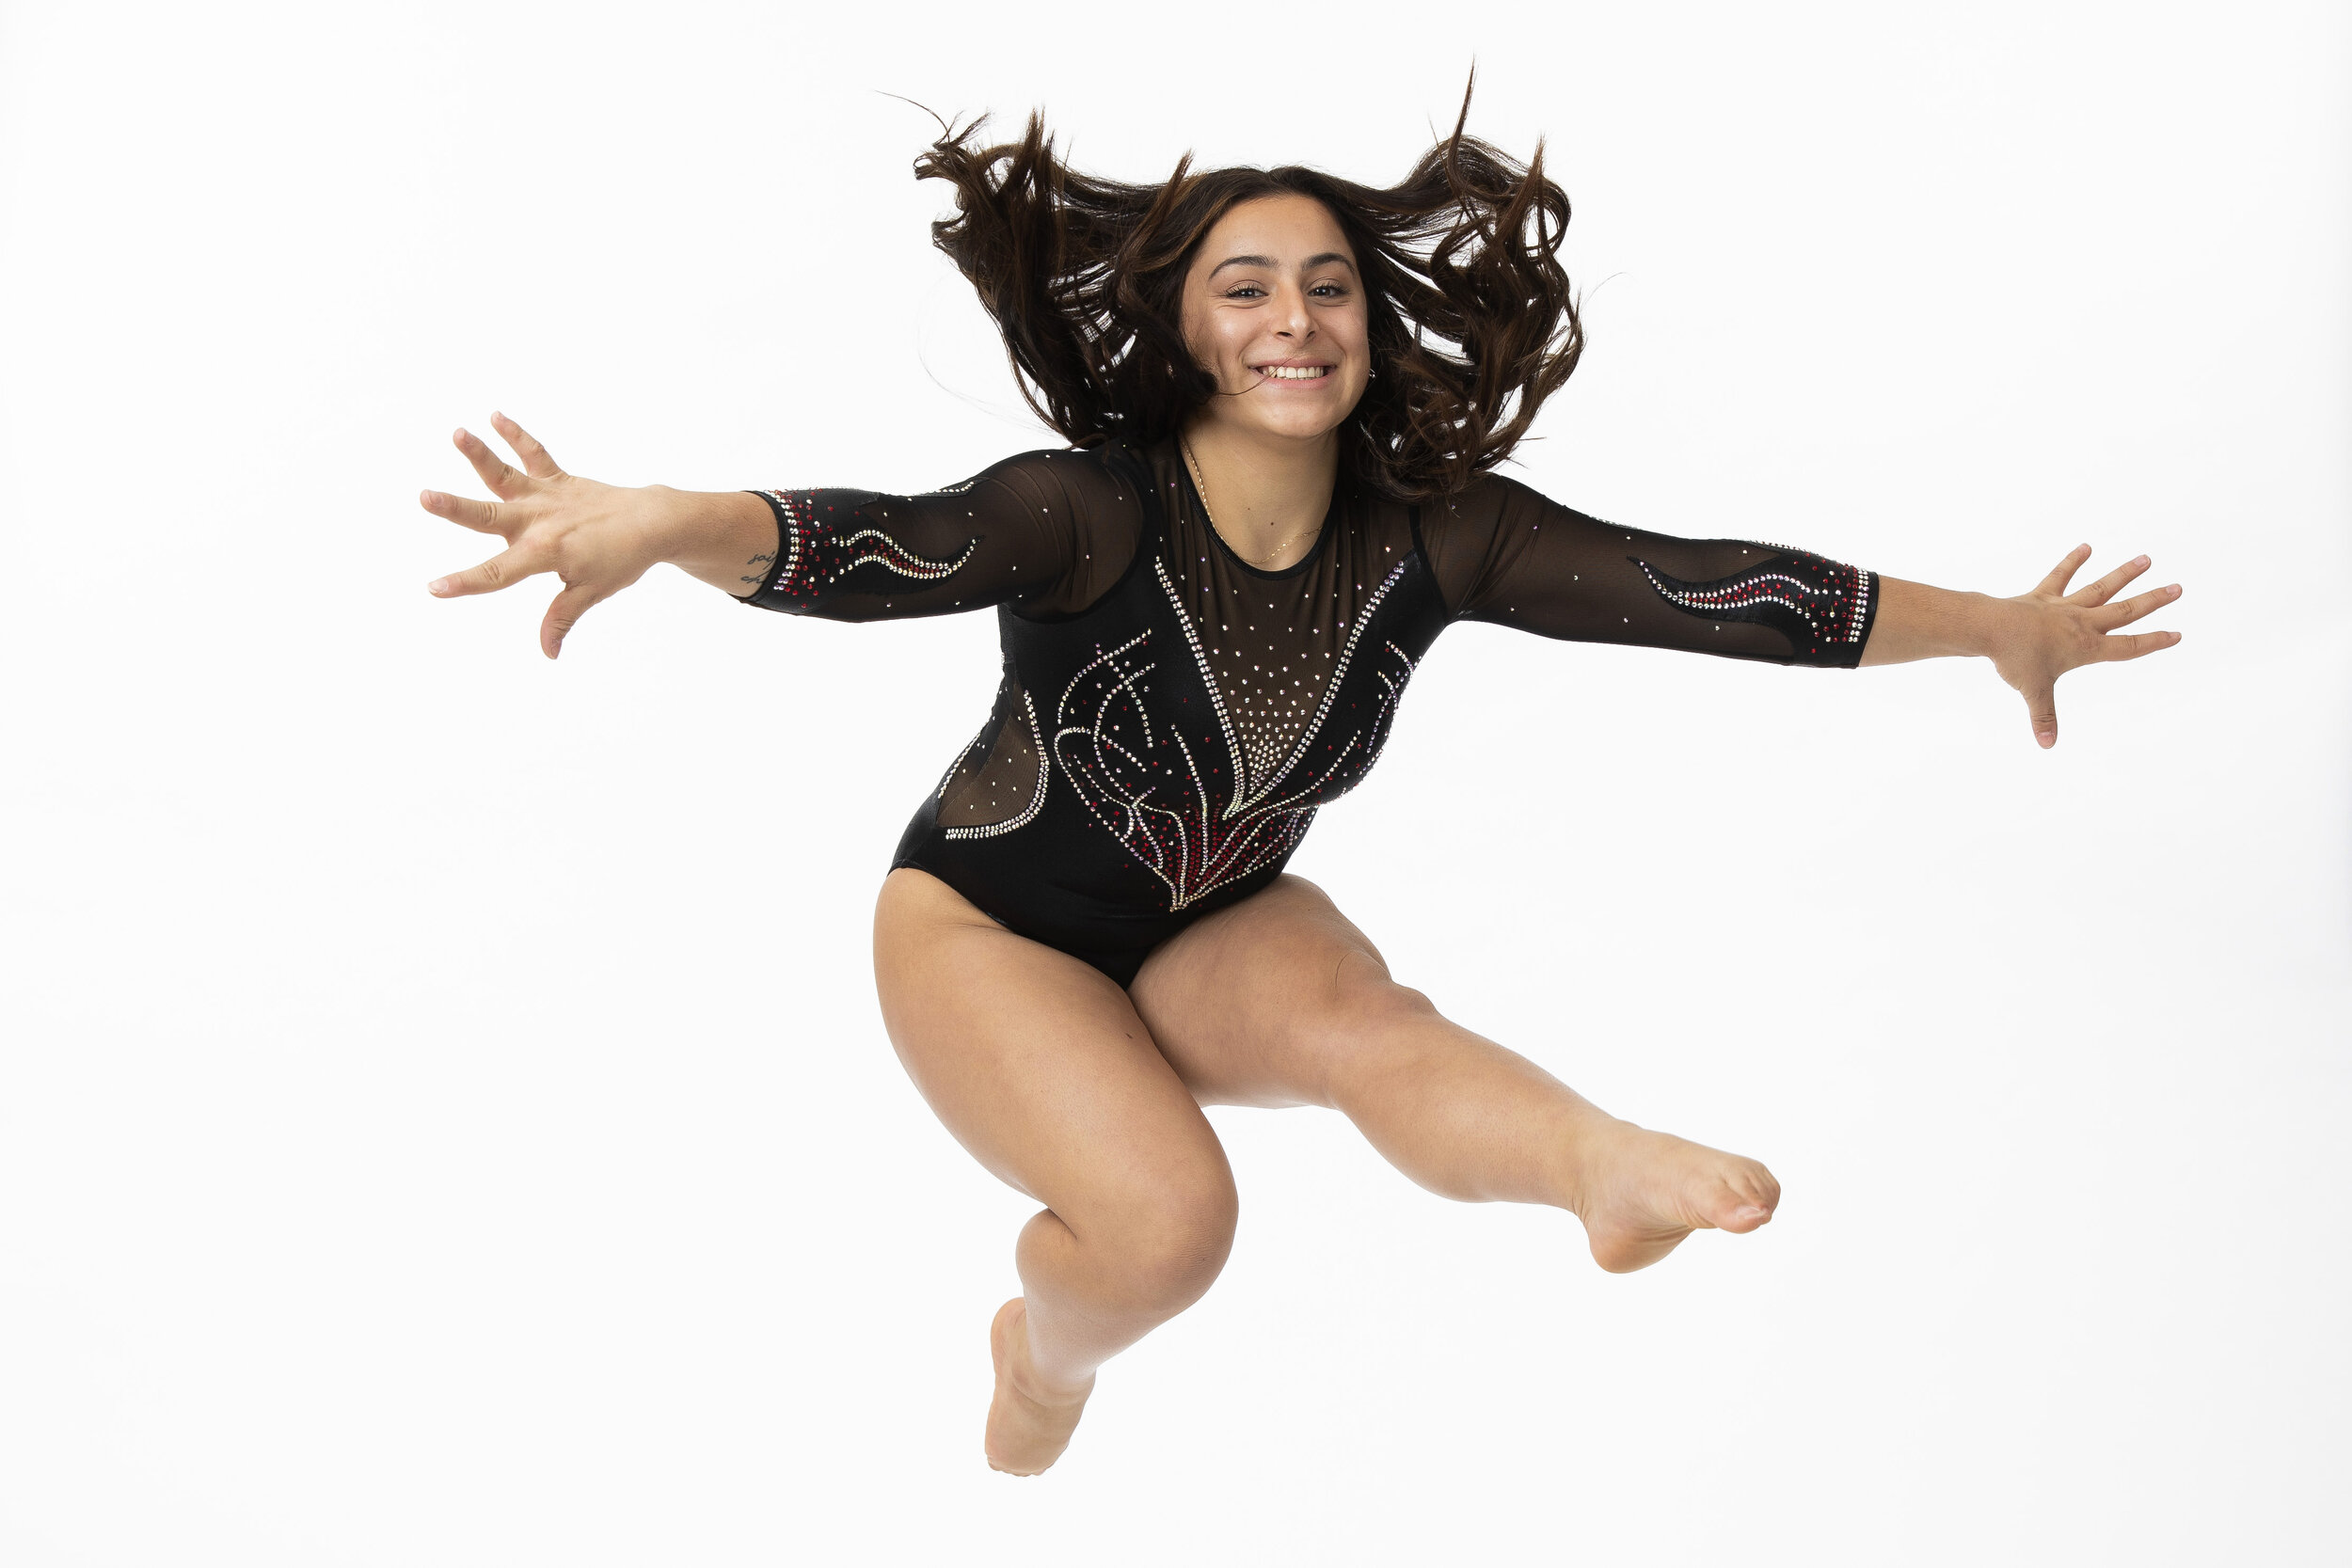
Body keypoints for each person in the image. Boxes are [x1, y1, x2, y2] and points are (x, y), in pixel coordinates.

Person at [419, 104, 2182, 1476]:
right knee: (1173, 1228)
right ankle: (1038, 1357)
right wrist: (669, 525)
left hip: (1217, 914)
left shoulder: (1443, 530)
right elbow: (889, 544)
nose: (1294, 317)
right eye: (1244, 286)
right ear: (1186, 331)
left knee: (1373, 1030)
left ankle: (1604, 1170)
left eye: (1327, 282)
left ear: (1366, 320)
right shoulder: (1085, 507)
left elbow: (1723, 594)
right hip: (986, 922)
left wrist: (2000, 628)